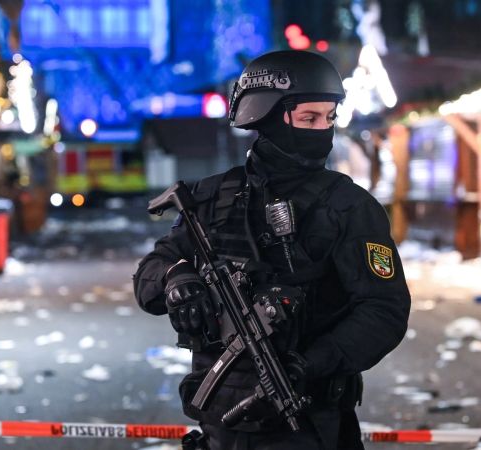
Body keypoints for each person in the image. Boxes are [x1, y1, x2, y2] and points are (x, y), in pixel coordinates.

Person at [133, 50, 411, 449]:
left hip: (309, 424)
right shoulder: (211, 200)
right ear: (267, 116)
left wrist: (311, 363)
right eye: (309, 118)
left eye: (329, 118)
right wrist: (177, 277)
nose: (323, 130)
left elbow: (384, 310)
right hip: (221, 424)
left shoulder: (348, 207)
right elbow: (150, 274)